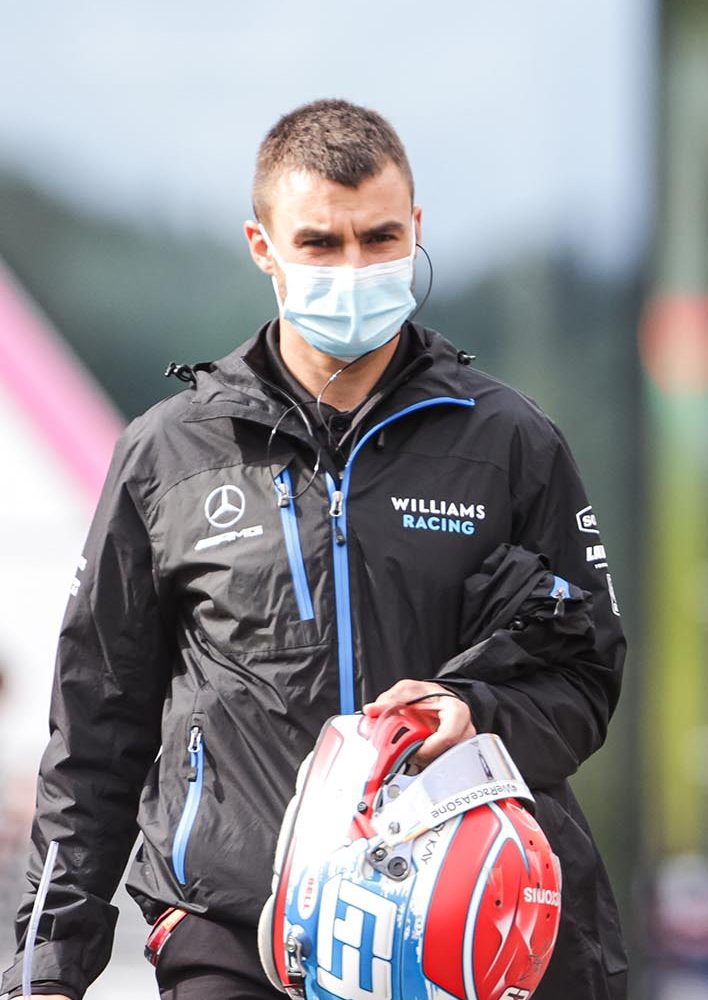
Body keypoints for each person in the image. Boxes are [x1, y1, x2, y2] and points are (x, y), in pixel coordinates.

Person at [2, 100, 629, 999]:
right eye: (321, 245)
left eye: (380, 240)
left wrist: (476, 712)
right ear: (263, 246)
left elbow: (584, 674)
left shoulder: (510, 444)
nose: (355, 267)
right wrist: (46, 971)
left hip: (460, 939)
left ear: (415, 230)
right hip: (239, 940)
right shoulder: (169, 454)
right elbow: (96, 729)